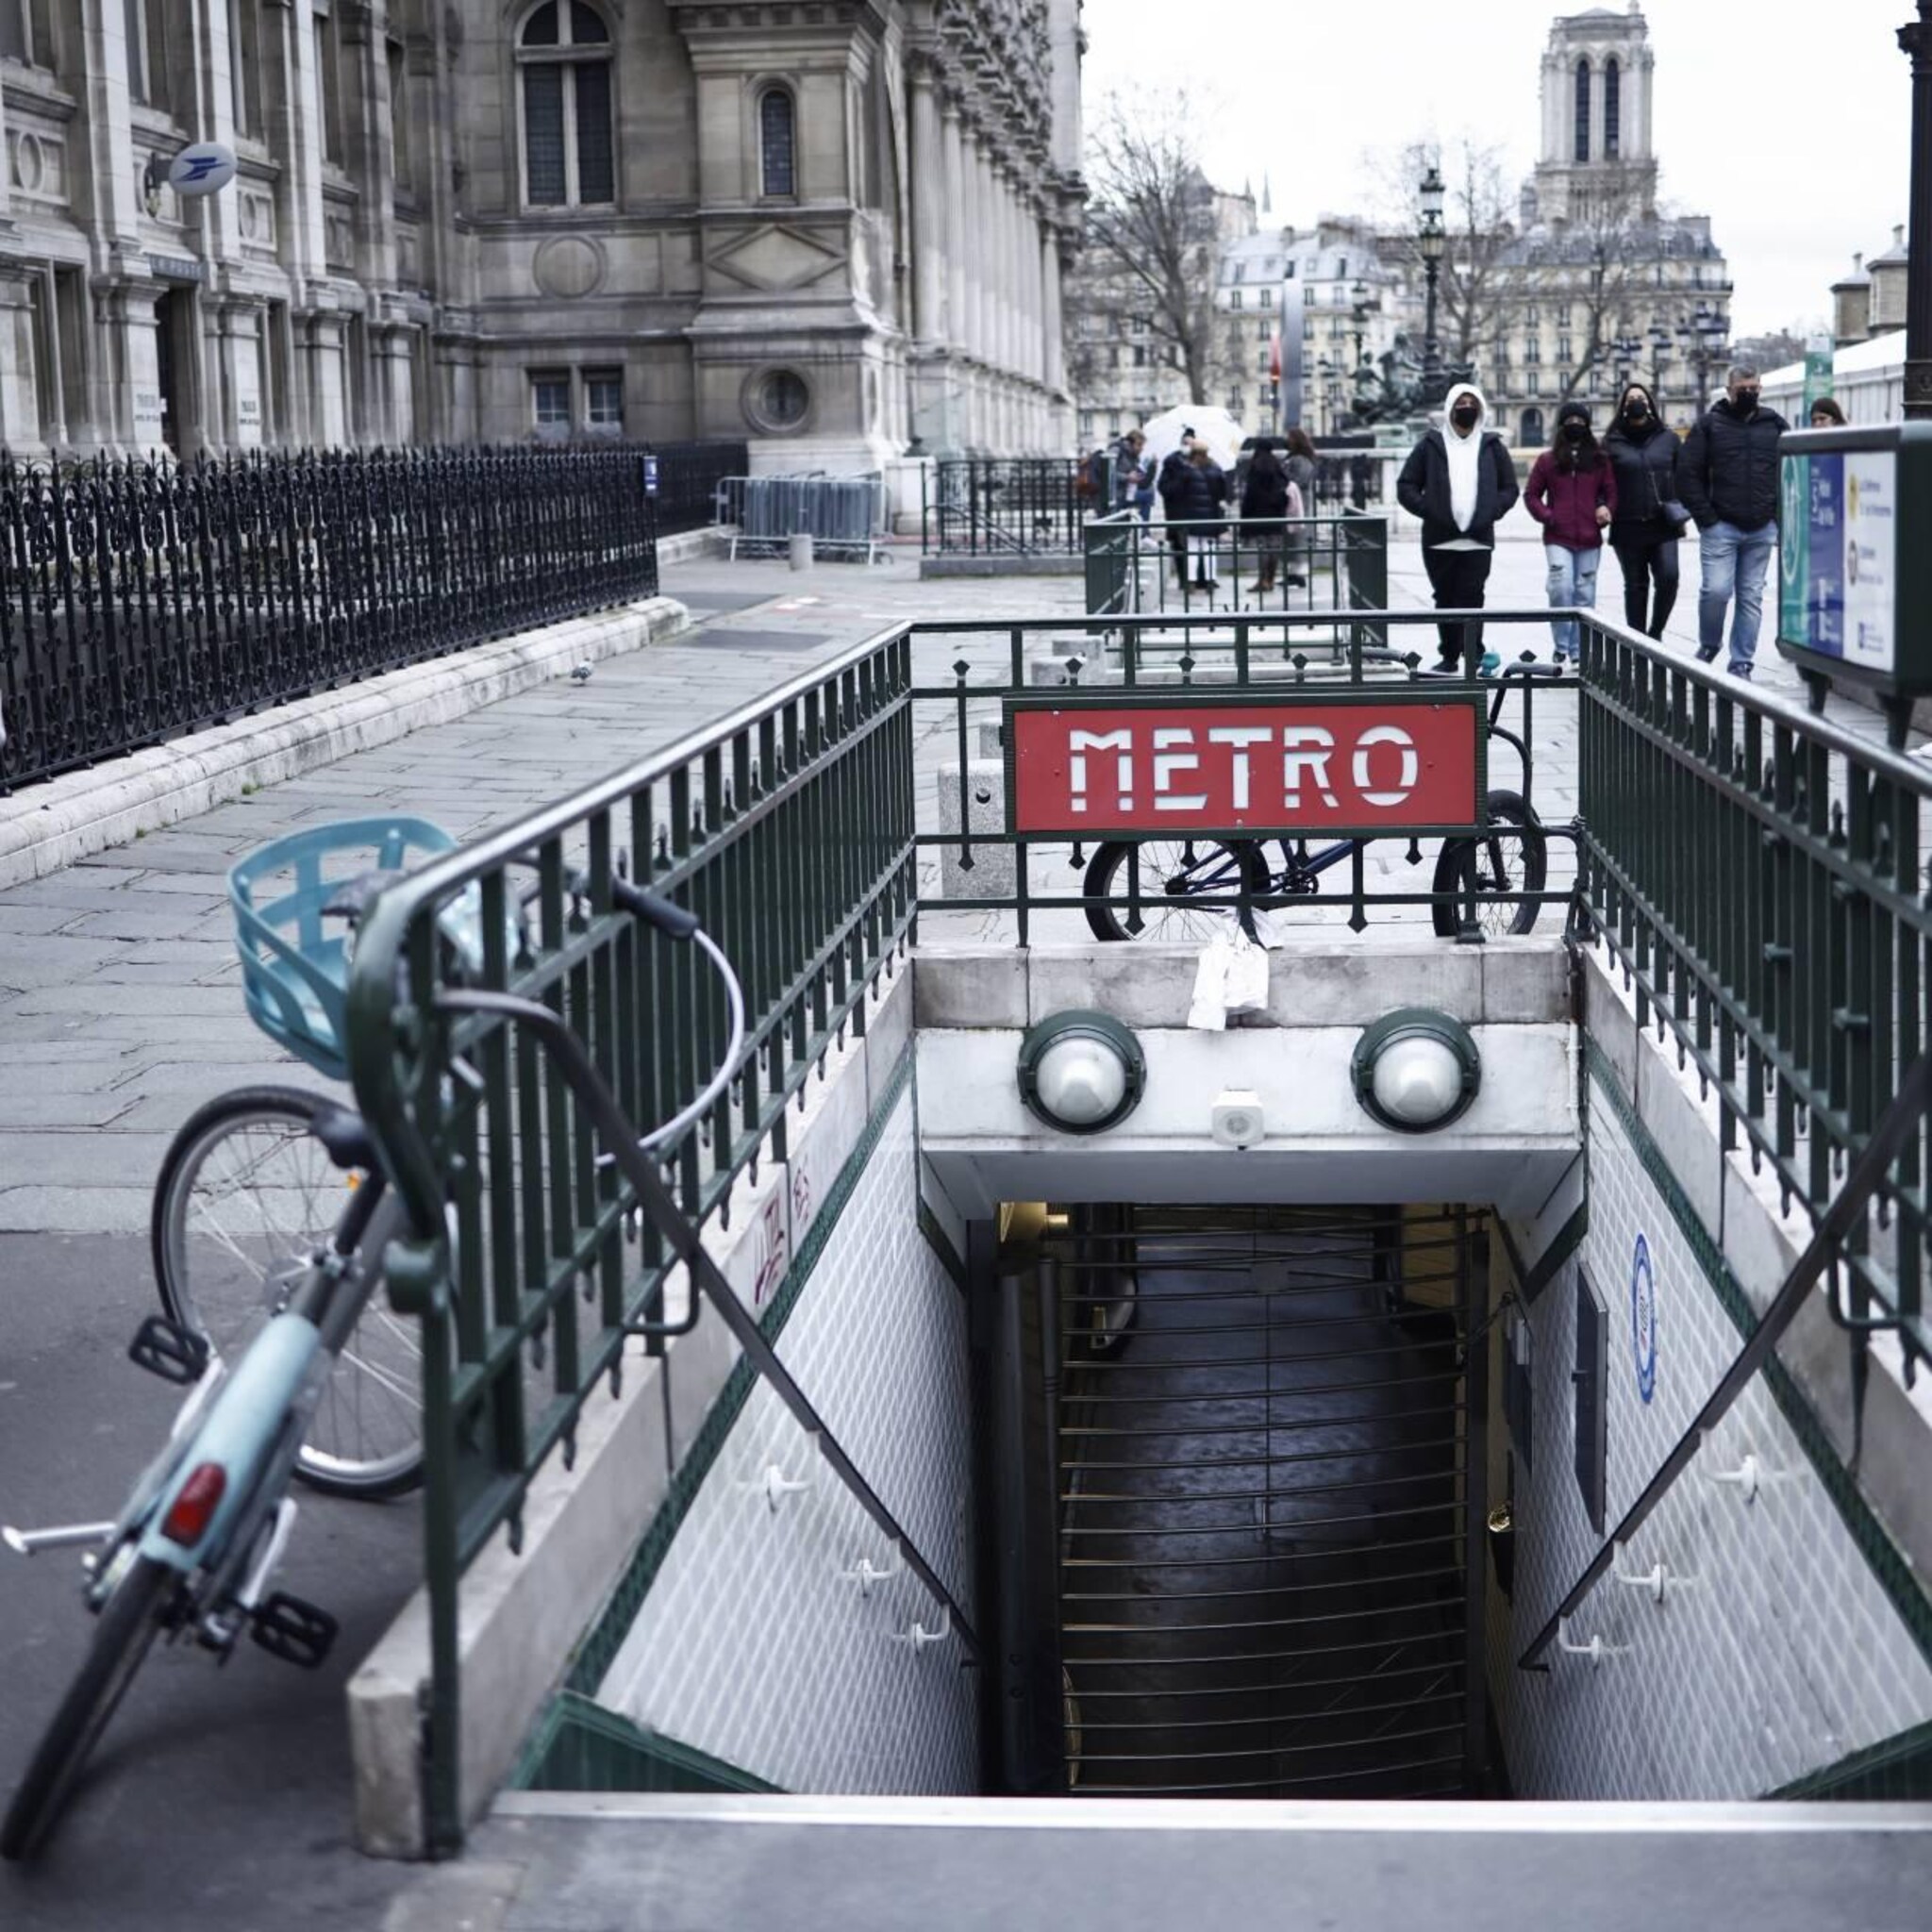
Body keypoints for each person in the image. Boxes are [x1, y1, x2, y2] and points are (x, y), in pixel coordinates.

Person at [1395, 382, 1520, 672]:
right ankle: (1450, 656)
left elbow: (1510, 488)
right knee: (1445, 597)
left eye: (1471, 404)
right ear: (1450, 410)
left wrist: (1491, 510)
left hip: (1478, 539)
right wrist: (1430, 509)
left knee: (1472, 595)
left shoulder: (1492, 446)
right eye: (1460, 404)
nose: (1466, 410)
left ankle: (1474, 653)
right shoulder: (1430, 445)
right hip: (1439, 539)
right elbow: (1406, 486)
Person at [1678, 365, 1788, 678]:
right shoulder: (1709, 425)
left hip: (1762, 526)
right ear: (1729, 391)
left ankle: (1742, 662)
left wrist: (1777, 516)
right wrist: (1706, 518)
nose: (1749, 394)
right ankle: (1710, 643)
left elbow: (1790, 471)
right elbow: (1687, 474)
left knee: (1751, 596)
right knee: (1716, 591)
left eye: (1755, 388)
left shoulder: (1774, 425)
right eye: (1743, 389)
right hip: (1721, 525)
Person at [1523, 401, 1616, 664]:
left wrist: (1607, 510)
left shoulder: (1599, 461)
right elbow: (1531, 495)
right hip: (1557, 536)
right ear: (1562, 427)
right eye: (1570, 421)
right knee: (1561, 586)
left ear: (1587, 426)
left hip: (1590, 536)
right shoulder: (1547, 461)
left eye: (1581, 421)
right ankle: (1561, 644)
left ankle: (1579, 650)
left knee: (1585, 592)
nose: (1576, 425)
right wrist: (1548, 516)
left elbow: (1611, 492)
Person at [1602, 382, 1682, 641]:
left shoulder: (1668, 438)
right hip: (1627, 523)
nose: (1636, 402)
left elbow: (1684, 474)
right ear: (1623, 406)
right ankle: (1637, 642)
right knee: (1636, 586)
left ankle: (1655, 633)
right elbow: (1601, 480)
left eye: (1641, 397)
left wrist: (1683, 503)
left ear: (1649, 403)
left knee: (1669, 577)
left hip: (1663, 522)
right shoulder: (1611, 442)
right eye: (1631, 398)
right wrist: (1601, 504)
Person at [1239, 445, 1305, 599]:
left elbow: (1250, 495)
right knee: (1274, 547)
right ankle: (1270, 579)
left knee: (1263, 548)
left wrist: (1246, 517)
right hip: (1276, 514)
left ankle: (1262, 580)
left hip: (1259, 515)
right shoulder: (1276, 466)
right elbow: (1286, 486)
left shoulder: (1255, 467)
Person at [1165, 442, 1229, 591]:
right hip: (1211, 517)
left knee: (1192, 548)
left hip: (1191, 517)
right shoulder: (1215, 470)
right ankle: (1211, 580)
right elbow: (1223, 493)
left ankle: (1191, 581)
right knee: (1209, 549)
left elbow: (1177, 492)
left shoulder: (1186, 472)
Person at [1282, 426, 1318, 589]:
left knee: (1298, 540)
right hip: (1294, 505)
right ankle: (1292, 574)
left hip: (1299, 505)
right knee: (1292, 540)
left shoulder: (1301, 459)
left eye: (1289, 437)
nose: (1286, 440)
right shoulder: (1294, 458)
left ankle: (1298, 575)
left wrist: (1283, 479)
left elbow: (1300, 480)